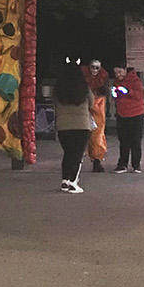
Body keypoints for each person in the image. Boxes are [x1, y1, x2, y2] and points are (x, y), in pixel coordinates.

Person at [54, 65, 94, 193]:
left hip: (63, 126)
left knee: (68, 154)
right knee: (77, 155)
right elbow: (92, 103)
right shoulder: (84, 89)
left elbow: (54, 104)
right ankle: (73, 182)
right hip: (81, 125)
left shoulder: (58, 89)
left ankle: (65, 181)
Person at [113, 65, 144, 173]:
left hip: (136, 114)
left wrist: (128, 91)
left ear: (125, 70)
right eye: (116, 73)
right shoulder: (116, 81)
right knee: (123, 141)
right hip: (122, 114)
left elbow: (139, 96)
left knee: (136, 140)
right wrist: (115, 93)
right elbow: (116, 98)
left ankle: (136, 165)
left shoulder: (135, 81)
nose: (118, 75)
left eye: (120, 72)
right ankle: (122, 164)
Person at [83, 58, 110, 171]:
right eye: (92, 67)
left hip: (98, 105)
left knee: (97, 133)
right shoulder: (83, 76)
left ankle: (97, 158)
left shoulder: (103, 77)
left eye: (97, 68)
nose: (94, 70)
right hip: (86, 105)